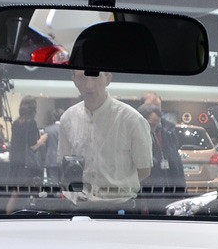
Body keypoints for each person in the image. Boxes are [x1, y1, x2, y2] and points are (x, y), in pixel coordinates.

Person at [57, 70, 152, 203]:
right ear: (74, 80)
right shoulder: (68, 118)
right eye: (81, 77)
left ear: (108, 78)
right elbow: (64, 163)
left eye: (95, 77)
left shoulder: (133, 120)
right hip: (76, 206)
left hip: (119, 207)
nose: (89, 85)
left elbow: (144, 170)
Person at [6, 96, 48, 214]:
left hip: (16, 164)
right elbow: (33, 146)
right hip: (28, 165)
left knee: (15, 194)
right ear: (33, 109)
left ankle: (8, 217)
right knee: (35, 193)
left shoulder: (16, 123)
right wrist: (43, 139)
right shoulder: (31, 122)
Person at [137, 102, 186, 199]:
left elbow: (177, 165)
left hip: (169, 189)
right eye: (151, 125)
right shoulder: (136, 139)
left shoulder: (167, 134)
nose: (154, 129)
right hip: (147, 192)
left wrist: (182, 192)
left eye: (157, 124)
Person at [42, 107, 65, 188]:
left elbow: (44, 145)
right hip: (64, 160)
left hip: (51, 159)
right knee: (64, 184)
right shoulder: (67, 129)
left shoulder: (48, 129)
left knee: (53, 185)